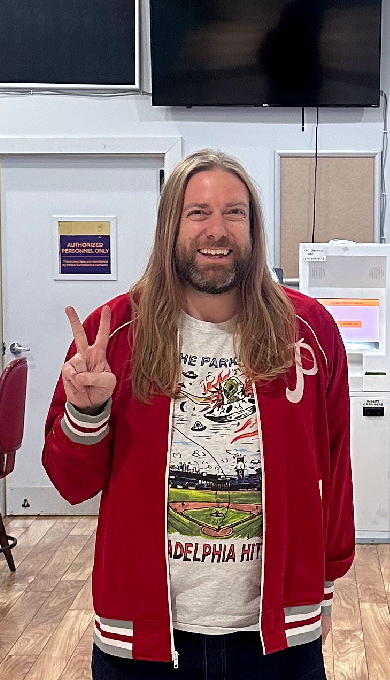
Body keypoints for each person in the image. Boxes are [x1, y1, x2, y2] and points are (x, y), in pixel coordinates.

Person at [44, 149, 352, 679]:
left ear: (253, 228)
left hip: (278, 634)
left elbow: (335, 464)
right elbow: (70, 483)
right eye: (198, 213)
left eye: (235, 212)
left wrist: (322, 583)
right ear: (171, 226)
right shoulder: (113, 332)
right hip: (143, 637)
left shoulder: (309, 331)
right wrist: (86, 410)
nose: (218, 230)